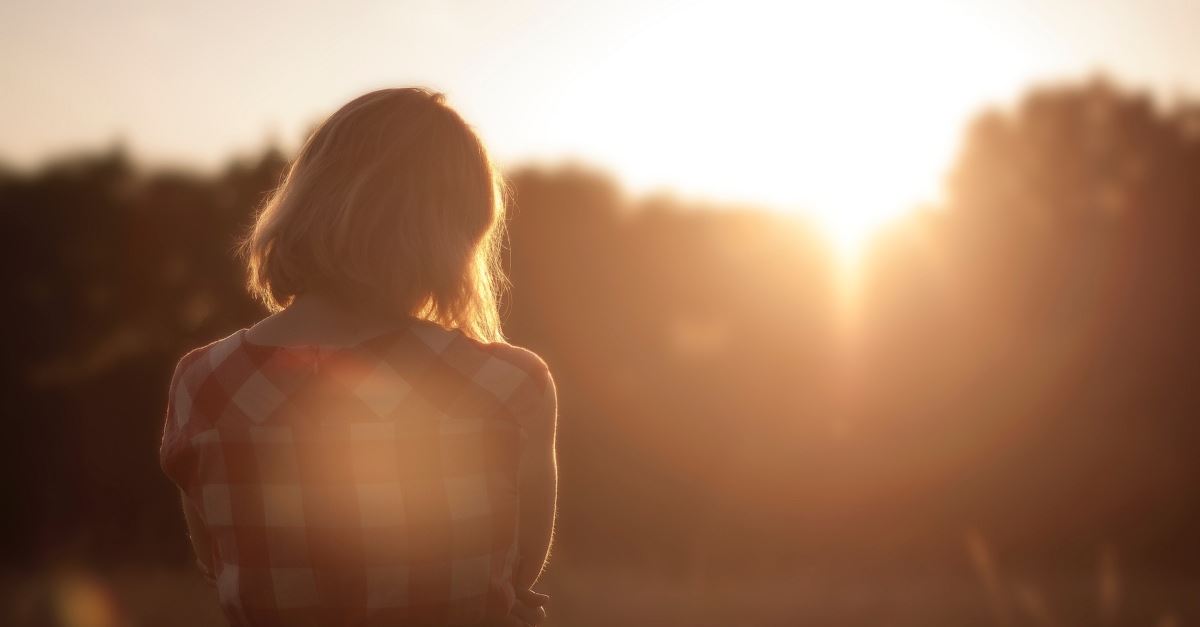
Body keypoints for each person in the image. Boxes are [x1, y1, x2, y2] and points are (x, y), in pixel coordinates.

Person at [159, 88, 558, 627]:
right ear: (455, 232)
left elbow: (217, 564)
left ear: (306, 198)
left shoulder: (204, 382)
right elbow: (518, 573)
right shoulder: (507, 384)